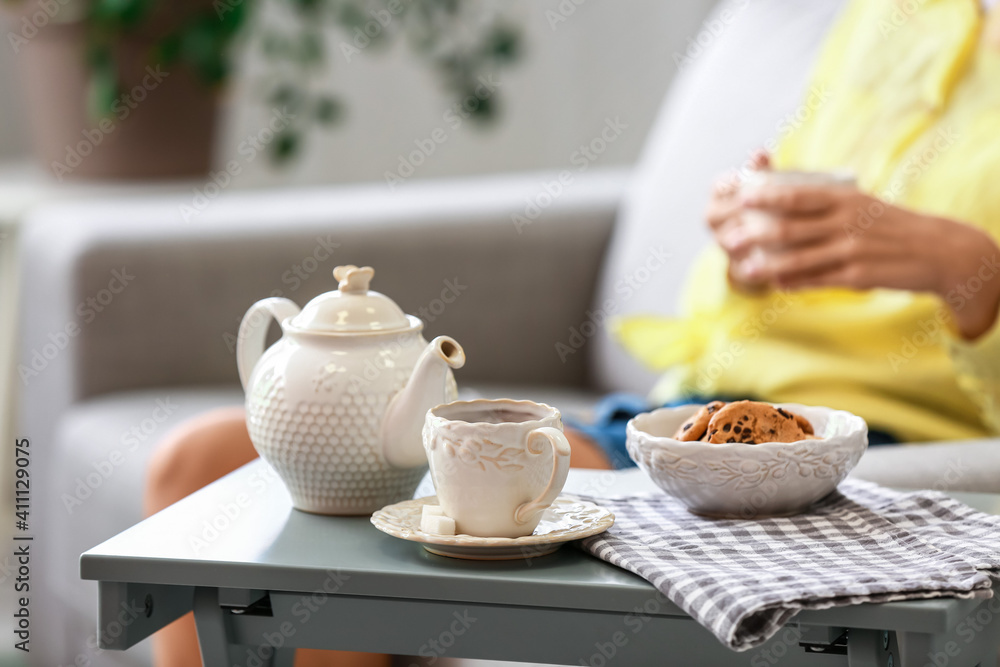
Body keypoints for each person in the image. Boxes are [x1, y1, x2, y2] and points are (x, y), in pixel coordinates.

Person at [145, 0, 1000, 664]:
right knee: (206, 460)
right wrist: (748, 246)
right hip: (687, 422)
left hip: (864, 455)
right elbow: (720, 308)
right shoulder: (893, 17)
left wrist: (968, 269)